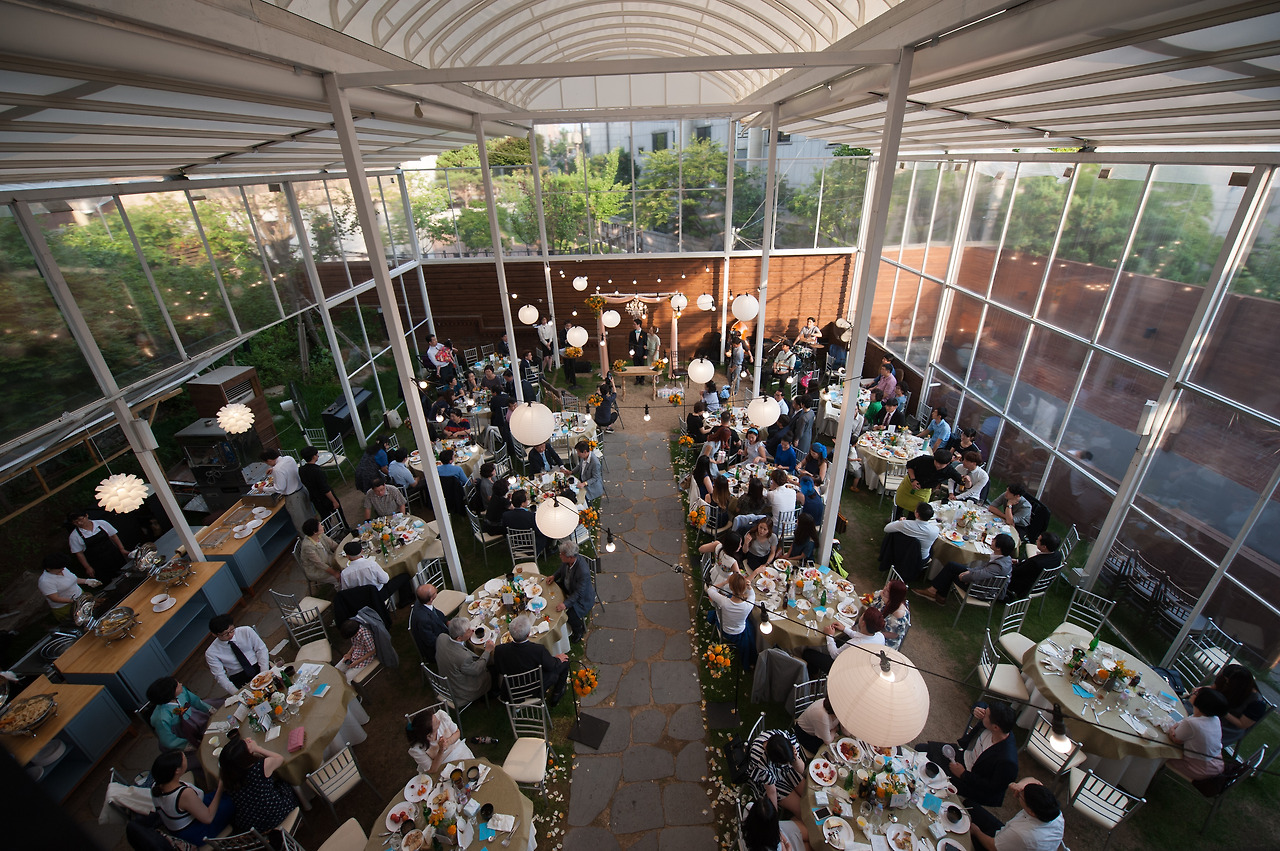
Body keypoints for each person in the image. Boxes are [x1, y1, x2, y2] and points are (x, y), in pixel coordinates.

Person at [918, 702, 1020, 808]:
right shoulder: (996, 722)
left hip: (972, 779)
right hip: (963, 756)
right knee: (921, 749)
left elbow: (992, 788)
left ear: (995, 727)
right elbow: (981, 705)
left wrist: (963, 774)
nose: (983, 713)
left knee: (932, 777)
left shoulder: (1008, 761)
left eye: (985, 714)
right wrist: (975, 709)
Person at [150, 751, 234, 845]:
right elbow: (208, 818)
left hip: (182, 825)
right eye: (185, 758)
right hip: (198, 833)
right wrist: (220, 787)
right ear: (177, 770)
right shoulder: (184, 794)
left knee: (220, 796)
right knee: (232, 801)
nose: (187, 759)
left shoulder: (156, 785)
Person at [219, 736, 299, 834]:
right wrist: (257, 748)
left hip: (251, 823)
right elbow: (280, 759)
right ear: (245, 757)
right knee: (284, 784)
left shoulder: (226, 775)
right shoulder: (260, 767)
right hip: (275, 813)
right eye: (246, 744)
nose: (248, 740)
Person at [493, 614, 570, 706]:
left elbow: (499, 669)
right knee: (565, 661)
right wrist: (558, 659)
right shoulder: (538, 650)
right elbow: (551, 666)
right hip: (536, 686)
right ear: (528, 634)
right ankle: (557, 693)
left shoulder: (499, 650)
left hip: (512, 688)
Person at [916, 533, 1017, 603]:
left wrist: (964, 577)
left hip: (981, 590)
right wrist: (969, 571)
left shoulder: (998, 566)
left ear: (999, 548)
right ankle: (937, 594)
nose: (992, 540)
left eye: (994, 540)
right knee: (952, 565)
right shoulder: (1005, 558)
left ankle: (935, 593)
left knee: (951, 573)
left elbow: (978, 575)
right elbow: (982, 569)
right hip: (981, 581)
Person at [969, 778, 1064, 851]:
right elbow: (1032, 779)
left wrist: (976, 832)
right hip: (1007, 834)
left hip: (1001, 845)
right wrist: (1019, 785)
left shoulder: (1022, 834)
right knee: (970, 805)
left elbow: (993, 847)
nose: (1019, 793)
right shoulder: (1053, 810)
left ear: (1031, 812)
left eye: (1021, 796)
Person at [803, 607, 885, 678]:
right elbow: (859, 635)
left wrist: (829, 635)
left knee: (807, 653)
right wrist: (844, 629)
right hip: (862, 662)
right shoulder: (880, 636)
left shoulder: (855, 644)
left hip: (843, 669)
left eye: (862, 616)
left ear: (863, 623)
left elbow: (834, 655)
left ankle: (813, 674)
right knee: (842, 638)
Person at [1166, 687, 1228, 780]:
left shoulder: (1193, 723)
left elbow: (1176, 738)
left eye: (1196, 694)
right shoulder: (1215, 719)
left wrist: (1172, 729)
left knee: (1161, 754)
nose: (1193, 692)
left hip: (1199, 769)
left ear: (1201, 702)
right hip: (1216, 764)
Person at [747, 730, 807, 818]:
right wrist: (774, 816)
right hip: (768, 782)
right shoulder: (760, 762)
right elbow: (771, 792)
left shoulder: (784, 739)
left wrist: (795, 757)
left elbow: (801, 770)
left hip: (785, 770)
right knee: (802, 811)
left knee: (810, 795)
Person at [146, 677, 214, 753]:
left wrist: (209, 710)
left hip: (195, 716)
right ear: (170, 693)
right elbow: (168, 740)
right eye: (177, 685)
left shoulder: (182, 692)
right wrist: (191, 744)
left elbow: (196, 701)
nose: (181, 684)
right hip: (181, 733)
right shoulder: (161, 717)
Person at [205, 615, 270, 695]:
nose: (230, 635)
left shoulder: (246, 631)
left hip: (258, 665)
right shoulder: (211, 652)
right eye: (225, 634)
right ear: (215, 634)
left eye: (232, 630)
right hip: (238, 676)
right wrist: (236, 693)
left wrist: (264, 672)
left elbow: (261, 649)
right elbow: (220, 676)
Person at [436, 617, 495, 703]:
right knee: (493, 668)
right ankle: (493, 691)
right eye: (468, 631)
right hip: (460, 690)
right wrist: (487, 651)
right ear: (459, 638)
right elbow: (477, 669)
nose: (472, 630)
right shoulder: (463, 658)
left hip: (447, 679)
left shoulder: (441, 637)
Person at [897, 448, 969, 515]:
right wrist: (913, 479)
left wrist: (968, 481)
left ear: (948, 463)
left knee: (917, 511)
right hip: (909, 484)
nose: (938, 465)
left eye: (941, 464)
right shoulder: (925, 459)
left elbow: (963, 483)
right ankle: (896, 517)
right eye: (936, 462)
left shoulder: (949, 470)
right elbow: (910, 465)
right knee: (899, 506)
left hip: (923, 491)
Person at [407, 706, 474, 776]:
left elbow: (457, 732)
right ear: (429, 735)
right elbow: (432, 770)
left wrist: (448, 742)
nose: (439, 721)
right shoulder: (417, 749)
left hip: (457, 750)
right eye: (436, 723)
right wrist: (441, 750)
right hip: (441, 765)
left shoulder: (441, 717)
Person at [67, 510, 129, 584]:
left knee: (126, 574)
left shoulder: (101, 523)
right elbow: (79, 553)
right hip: (98, 563)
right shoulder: (74, 536)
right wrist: (87, 567)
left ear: (86, 515)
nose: (79, 523)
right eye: (75, 522)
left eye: (81, 519)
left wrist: (122, 549)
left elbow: (113, 536)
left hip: (114, 555)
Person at [1214, 664, 1268, 748]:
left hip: (1226, 729)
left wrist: (1223, 711)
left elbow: (1242, 724)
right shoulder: (1230, 683)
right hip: (1213, 716)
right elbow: (1214, 688)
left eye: (1228, 682)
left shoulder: (1257, 703)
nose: (1226, 683)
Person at [260, 448, 313, 534]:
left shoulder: (277, 469)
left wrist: (263, 489)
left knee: (302, 525)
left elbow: (279, 488)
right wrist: (273, 468)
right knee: (310, 518)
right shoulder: (289, 458)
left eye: (266, 463)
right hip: (302, 490)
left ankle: (308, 541)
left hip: (294, 498)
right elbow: (285, 469)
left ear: (269, 460)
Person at [552, 540, 594, 643]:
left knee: (570, 615)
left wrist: (565, 604)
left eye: (562, 554)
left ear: (570, 557)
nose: (560, 556)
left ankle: (579, 631)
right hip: (569, 586)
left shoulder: (582, 571)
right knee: (552, 587)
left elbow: (579, 593)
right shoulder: (567, 561)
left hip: (582, 599)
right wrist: (554, 577)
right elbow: (561, 569)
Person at [300, 446, 346, 526]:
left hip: (316, 499)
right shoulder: (317, 471)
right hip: (325, 498)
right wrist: (334, 501)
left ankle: (325, 531)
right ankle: (345, 528)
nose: (317, 456)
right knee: (339, 514)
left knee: (325, 517)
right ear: (313, 456)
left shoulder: (301, 470)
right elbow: (325, 489)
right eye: (316, 454)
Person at [1007, 531, 1061, 599]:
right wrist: (1018, 561)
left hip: (1024, 586)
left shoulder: (1036, 563)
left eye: (1038, 540)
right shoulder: (1058, 555)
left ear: (1044, 547)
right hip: (1040, 584)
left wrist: (1006, 563)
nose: (1036, 540)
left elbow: (1015, 572)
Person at [298, 517, 341, 588]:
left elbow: (333, 545)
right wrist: (334, 573)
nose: (322, 526)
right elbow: (319, 564)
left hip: (329, 560)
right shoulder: (308, 546)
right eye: (320, 525)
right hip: (317, 570)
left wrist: (342, 551)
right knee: (340, 578)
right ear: (315, 532)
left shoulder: (320, 535)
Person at [872, 579, 912, 651]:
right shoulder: (887, 598)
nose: (884, 589)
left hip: (886, 642)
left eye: (887, 590)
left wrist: (873, 634)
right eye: (886, 586)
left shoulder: (898, 614)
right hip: (876, 628)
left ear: (894, 595)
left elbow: (893, 635)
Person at [335, 618, 376, 682]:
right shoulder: (354, 631)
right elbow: (355, 644)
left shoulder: (366, 637)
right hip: (356, 652)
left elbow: (372, 651)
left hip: (365, 658)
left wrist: (357, 662)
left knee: (346, 678)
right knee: (336, 670)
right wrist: (349, 653)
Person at [628, 319, 648, 383]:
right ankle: (637, 379)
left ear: (638, 325)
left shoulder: (644, 334)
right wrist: (630, 353)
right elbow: (630, 344)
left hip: (641, 352)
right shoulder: (632, 333)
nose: (633, 325)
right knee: (635, 366)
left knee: (642, 366)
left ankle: (642, 379)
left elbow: (646, 344)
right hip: (635, 352)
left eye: (634, 324)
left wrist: (645, 354)